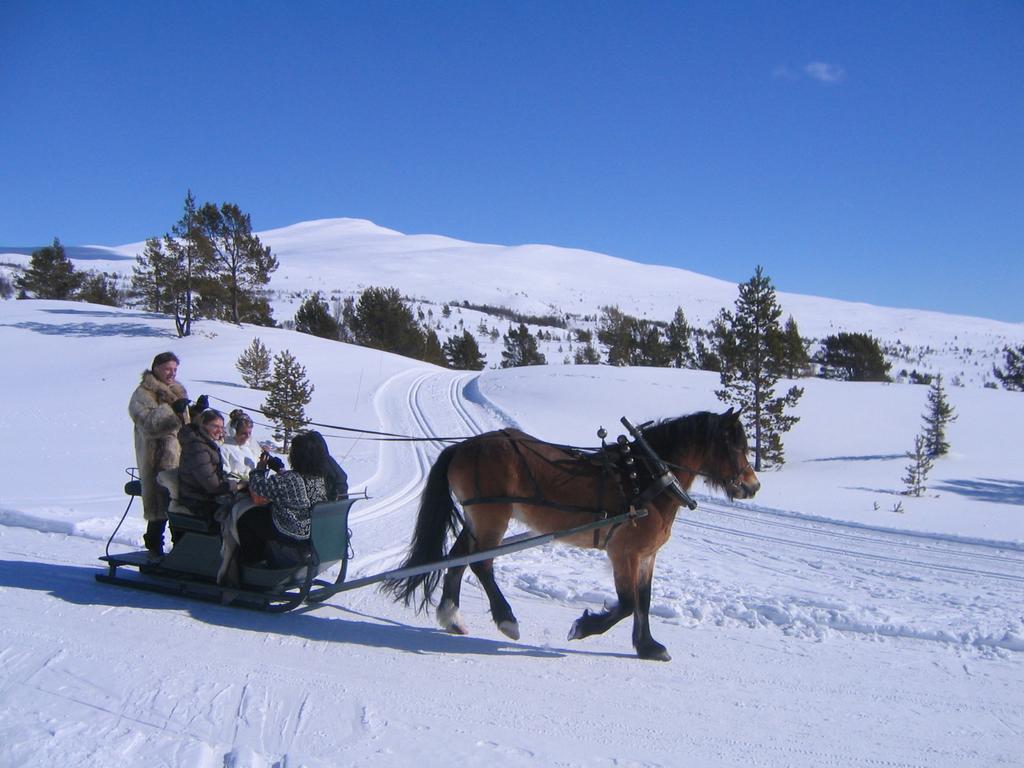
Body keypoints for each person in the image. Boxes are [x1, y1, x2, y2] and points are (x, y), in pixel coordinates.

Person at [237, 431, 338, 566]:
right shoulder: (321, 478)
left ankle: (254, 561)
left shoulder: (289, 480)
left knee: (248, 518)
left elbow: (258, 488)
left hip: (292, 531)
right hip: (313, 529)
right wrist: (280, 469)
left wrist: (259, 470)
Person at [128, 351, 190, 557]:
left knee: (177, 505)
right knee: (159, 507)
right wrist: (172, 410)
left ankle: (181, 549)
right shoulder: (142, 394)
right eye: (167, 369)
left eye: (174, 370)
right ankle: (154, 548)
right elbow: (148, 423)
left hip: (178, 459)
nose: (172, 373)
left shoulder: (178, 390)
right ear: (156, 368)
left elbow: (185, 423)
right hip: (155, 459)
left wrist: (197, 411)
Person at [177, 409, 240, 521]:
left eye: (221, 427)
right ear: (203, 425)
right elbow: (212, 485)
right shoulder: (197, 447)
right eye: (215, 426)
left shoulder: (207, 444)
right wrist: (237, 486)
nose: (219, 431)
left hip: (206, 495)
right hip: (197, 499)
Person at [221, 409, 262, 482]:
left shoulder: (251, 449)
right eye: (244, 433)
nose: (247, 436)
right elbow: (225, 474)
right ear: (234, 431)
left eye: (249, 433)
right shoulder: (225, 448)